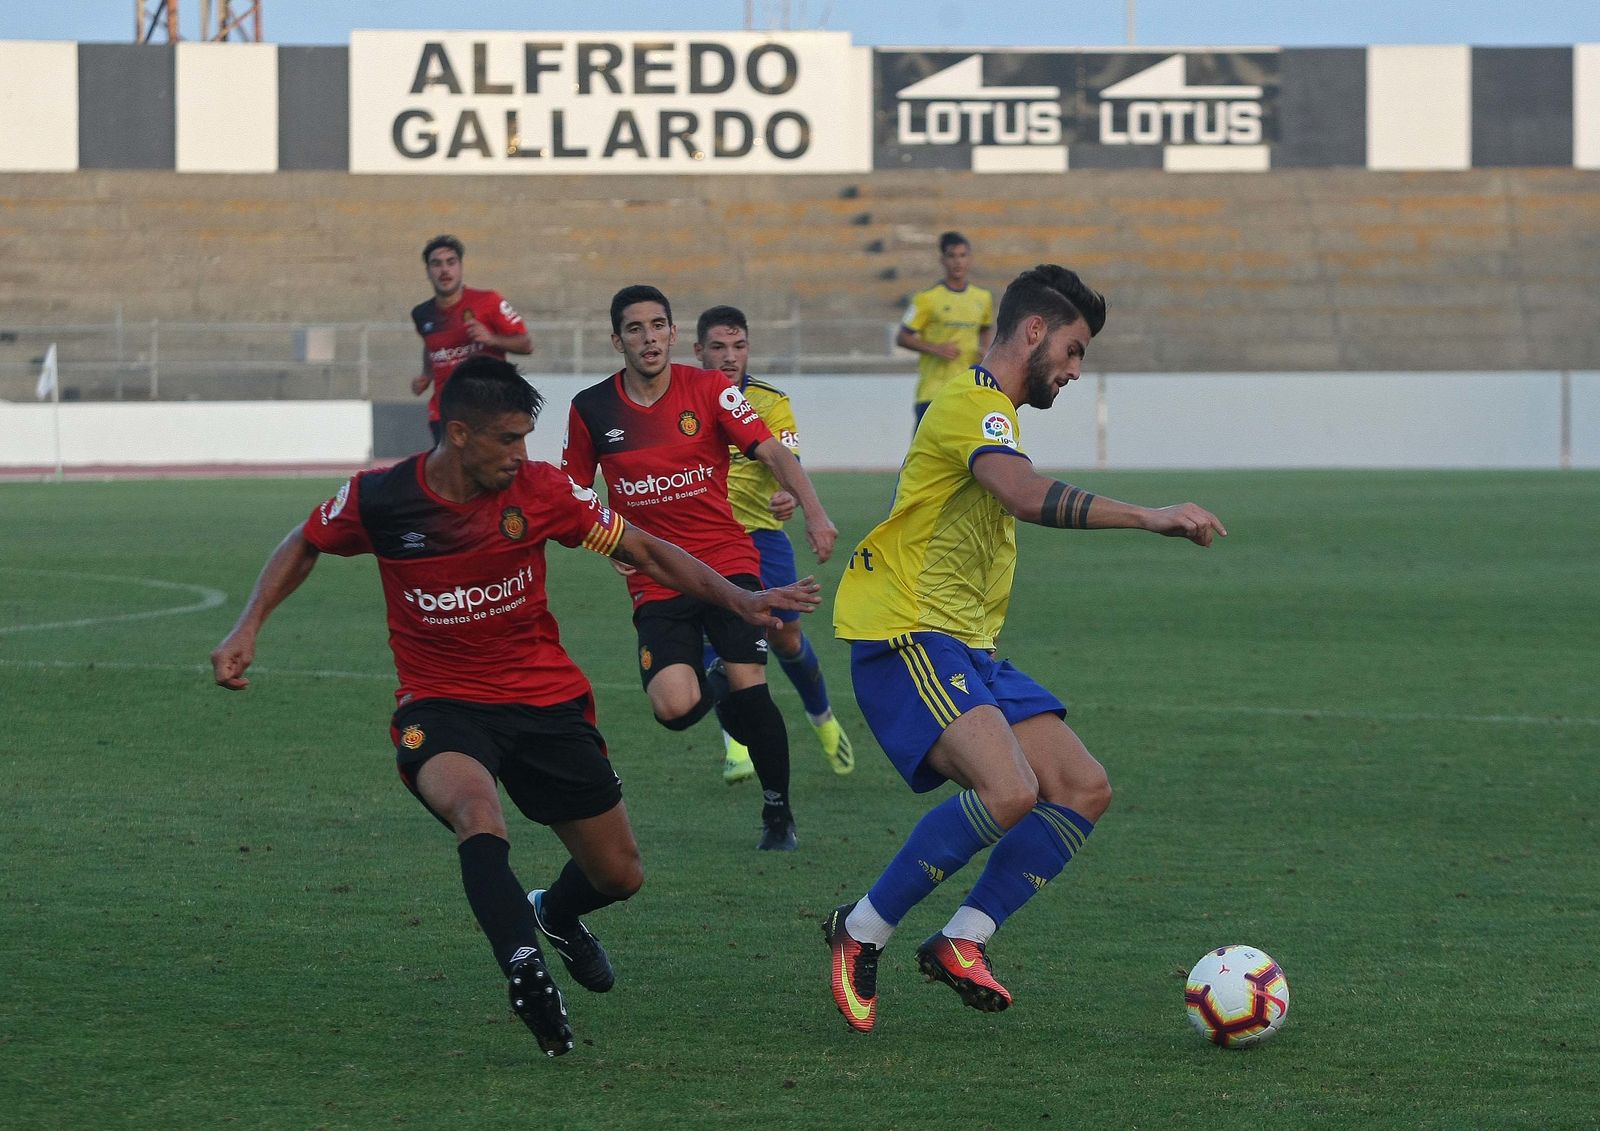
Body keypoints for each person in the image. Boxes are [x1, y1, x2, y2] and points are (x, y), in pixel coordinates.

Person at [209, 357, 820, 1058]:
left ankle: (554, 914)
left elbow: (644, 548)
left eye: (526, 437)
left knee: (619, 874)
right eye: (508, 439)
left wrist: (741, 598)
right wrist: (248, 624)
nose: (522, 454)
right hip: (439, 703)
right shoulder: (382, 498)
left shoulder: (543, 491)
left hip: (544, 701)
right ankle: (524, 968)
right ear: (460, 434)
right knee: (476, 811)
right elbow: (305, 541)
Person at [824, 265, 1227, 1033]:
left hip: (966, 646)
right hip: (905, 631)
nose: (1075, 371)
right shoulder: (971, 405)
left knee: (1081, 785)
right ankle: (861, 930)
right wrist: (1150, 515)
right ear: (1034, 331)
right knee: (1009, 789)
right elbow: (1025, 494)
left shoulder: (994, 414)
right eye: (1073, 351)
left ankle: (961, 941)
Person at [561, 285, 839, 852]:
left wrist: (814, 512)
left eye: (657, 325)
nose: (648, 338)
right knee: (673, 707)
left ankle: (778, 813)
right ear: (618, 340)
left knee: (750, 686)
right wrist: (609, 542)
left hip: (728, 561)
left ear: (671, 332)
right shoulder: (591, 409)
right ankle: (715, 681)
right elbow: (572, 494)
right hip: (656, 574)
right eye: (634, 329)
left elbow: (774, 452)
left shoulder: (710, 389)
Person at [692, 304, 855, 784]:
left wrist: (791, 497)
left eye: (738, 346)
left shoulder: (770, 401)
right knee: (714, 638)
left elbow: (786, 459)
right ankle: (735, 743)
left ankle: (822, 717)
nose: (729, 356)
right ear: (698, 349)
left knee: (785, 635)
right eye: (718, 347)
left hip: (763, 537)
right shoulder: (680, 400)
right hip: (701, 539)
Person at [410, 234, 534, 445]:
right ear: (428, 272)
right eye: (436, 264)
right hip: (445, 412)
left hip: (490, 408)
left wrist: (492, 339)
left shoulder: (488, 301)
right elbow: (430, 344)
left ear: (460, 266)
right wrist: (426, 374)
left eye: (451, 262)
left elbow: (526, 344)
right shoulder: (422, 314)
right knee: (449, 476)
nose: (444, 270)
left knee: (497, 473)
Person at [895, 231, 995, 431]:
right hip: (933, 392)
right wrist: (936, 348)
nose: (957, 262)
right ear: (942, 260)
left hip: (967, 390)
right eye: (951, 256)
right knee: (925, 458)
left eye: (962, 255)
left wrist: (984, 350)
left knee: (964, 456)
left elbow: (985, 327)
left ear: (970, 259)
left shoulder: (982, 298)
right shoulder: (926, 298)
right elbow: (902, 337)